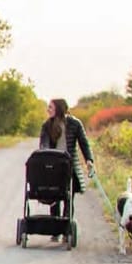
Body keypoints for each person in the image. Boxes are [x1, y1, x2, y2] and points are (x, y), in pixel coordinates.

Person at [38, 98, 94, 236]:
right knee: (54, 197)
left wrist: (89, 160)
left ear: (58, 108)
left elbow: (83, 143)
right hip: (52, 166)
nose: (48, 110)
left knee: (69, 197)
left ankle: (66, 229)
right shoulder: (47, 125)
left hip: (69, 166)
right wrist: (45, 153)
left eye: (50, 107)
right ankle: (55, 230)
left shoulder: (75, 124)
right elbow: (43, 143)